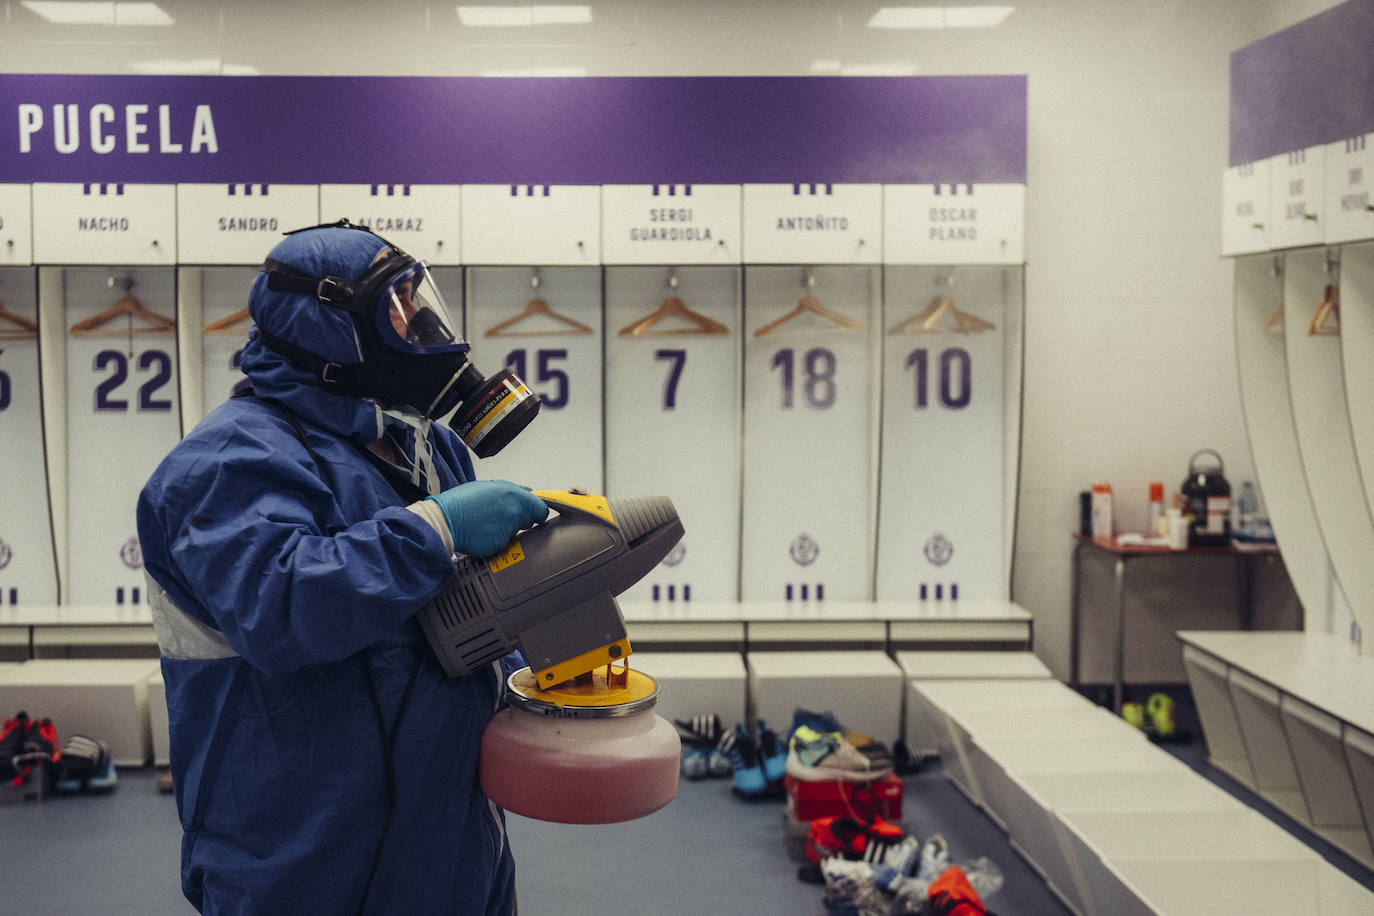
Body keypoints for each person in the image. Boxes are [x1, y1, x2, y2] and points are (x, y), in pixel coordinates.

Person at [136, 223, 548, 915]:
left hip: (453, 843)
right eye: (398, 308)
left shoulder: (429, 448)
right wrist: (436, 528)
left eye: (420, 301)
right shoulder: (221, 465)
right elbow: (281, 607)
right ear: (329, 331)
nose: (422, 326)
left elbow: (466, 616)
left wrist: (538, 675)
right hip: (304, 860)